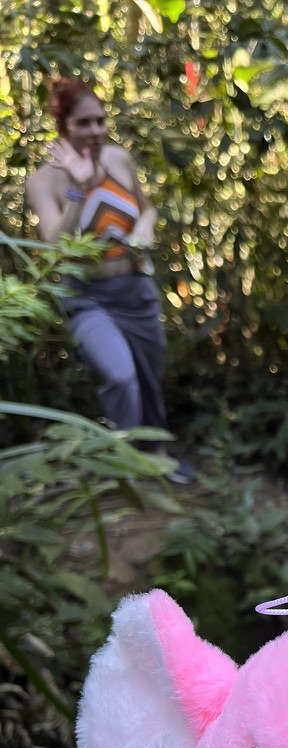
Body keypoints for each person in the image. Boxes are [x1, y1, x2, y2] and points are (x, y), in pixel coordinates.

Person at [25, 77, 193, 483]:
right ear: (63, 126)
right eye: (84, 122)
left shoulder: (119, 159)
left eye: (100, 120)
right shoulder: (41, 181)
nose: (96, 130)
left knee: (149, 381)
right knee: (119, 375)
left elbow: (147, 210)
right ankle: (121, 462)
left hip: (136, 289)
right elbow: (55, 246)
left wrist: (145, 230)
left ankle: (155, 455)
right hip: (86, 297)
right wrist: (80, 190)